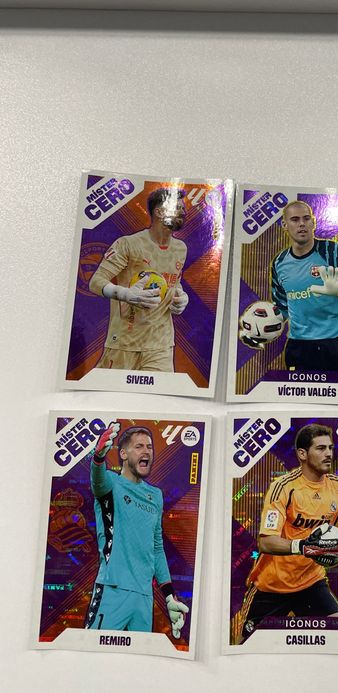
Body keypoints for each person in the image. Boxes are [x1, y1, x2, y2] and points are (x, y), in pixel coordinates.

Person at [236, 423, 338, 643]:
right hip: (270, 586)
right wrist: (303, 546)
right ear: (302, 454)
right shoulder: (284, 488)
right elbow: (266, 542)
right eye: (320, 448)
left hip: (311, 583)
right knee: (246, 647)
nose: (328, 453)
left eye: (330, 448)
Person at [84, 423, 189, 637]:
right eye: (139, 446)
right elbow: (97, 480)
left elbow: (157, 548)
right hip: (113, 590)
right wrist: (98, 458)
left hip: (144, 597)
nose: (146, 451)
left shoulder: (155, 496)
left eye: (149, 447)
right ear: (123, 454)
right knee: (94, 653)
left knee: (138, 658)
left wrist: (169, 596)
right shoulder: (111, 482)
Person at [267, 200, 338, 398]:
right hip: (301, 348)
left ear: (314, 222)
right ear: (285, 225)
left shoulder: (333, 253)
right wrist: (261, 328)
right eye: (295, 219)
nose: (301, 224)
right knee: (308, 407)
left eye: (306, 218)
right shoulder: (279, 263)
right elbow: (281, 308)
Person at [89, 187, 189, 372]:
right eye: (177, 207)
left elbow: (173, 281)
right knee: (111, 391)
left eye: (183, 207)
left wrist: (181, 296)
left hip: (161, 345)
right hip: (124, 343)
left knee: (160, 391)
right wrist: (125, 294)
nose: (183, 211)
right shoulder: (128, 244)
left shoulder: (180, 249)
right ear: (159, 212)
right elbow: (96, 282)